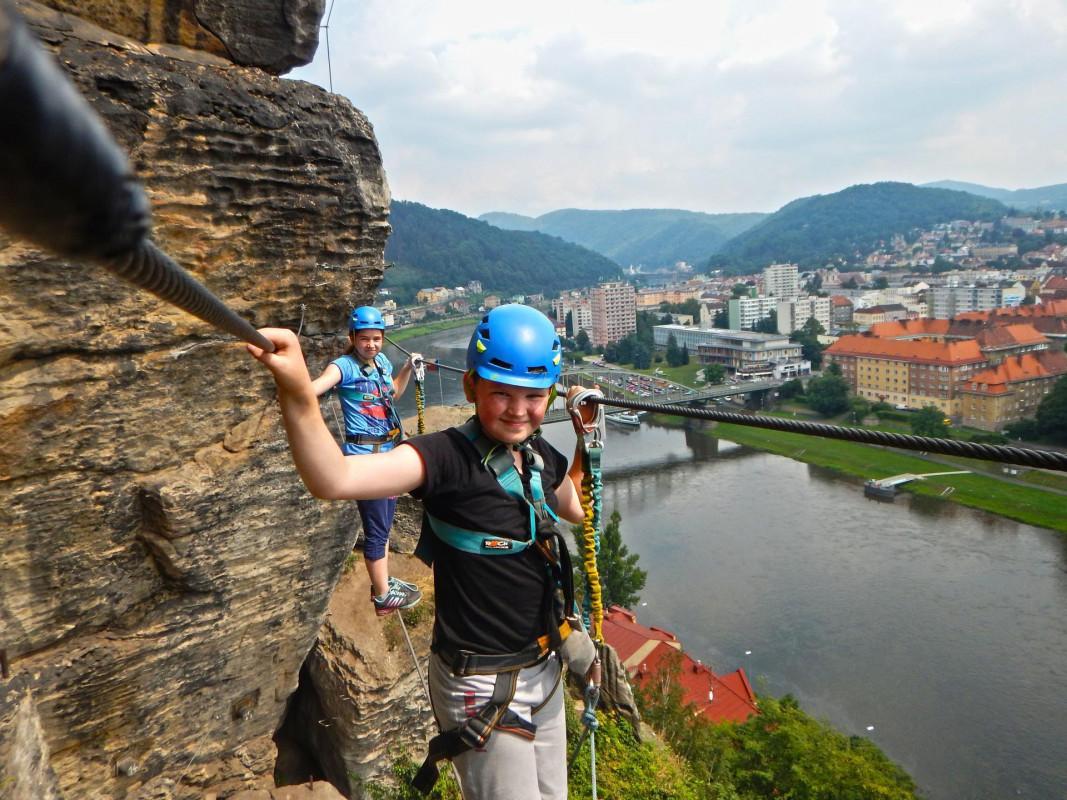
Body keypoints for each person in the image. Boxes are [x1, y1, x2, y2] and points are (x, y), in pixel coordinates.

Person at [249, 304, 598, 800]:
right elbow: (335, 478)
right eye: (501, 392)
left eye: (534, 396)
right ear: (471, 387)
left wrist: (585, 437)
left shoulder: (539, 455)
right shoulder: (442, 457)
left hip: (543, 667)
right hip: (482, 682)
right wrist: (297, 393)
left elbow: (576, 506)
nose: (519, 410)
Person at [310, 305, 422, 615]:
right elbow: (314, 390)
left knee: (384, 527)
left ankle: (382, 582)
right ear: (353, 338)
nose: (370, 344)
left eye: (376, 339)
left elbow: (393, 394)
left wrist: (408, 368)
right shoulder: (343, 366)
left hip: (387, 454)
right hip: (365, 458)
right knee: (376, 530)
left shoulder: (382, 362)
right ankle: (384, 596)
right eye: (364, 339)